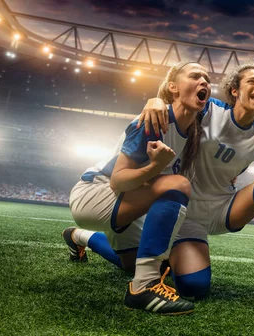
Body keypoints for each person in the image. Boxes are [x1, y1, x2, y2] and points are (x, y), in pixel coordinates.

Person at [134, 61, 254, 308]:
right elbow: (179, 100)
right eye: (252, 81)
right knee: (194, 289)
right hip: (185, 211)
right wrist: (155, 100)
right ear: (235, 90)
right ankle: (85, 238)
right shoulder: (211, 111)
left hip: (222, 209)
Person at [63, 61, 210, 314]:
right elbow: (117, 180)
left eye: (207, 78)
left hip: (127, 201)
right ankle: (143, 288)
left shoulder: (194, 128)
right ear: (173, 87)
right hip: (96, 194)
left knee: (133, 262)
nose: (204, 81)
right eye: (195, 75)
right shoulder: (154, 120)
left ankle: (78, 236)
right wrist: (156, 166)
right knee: (177, 184)